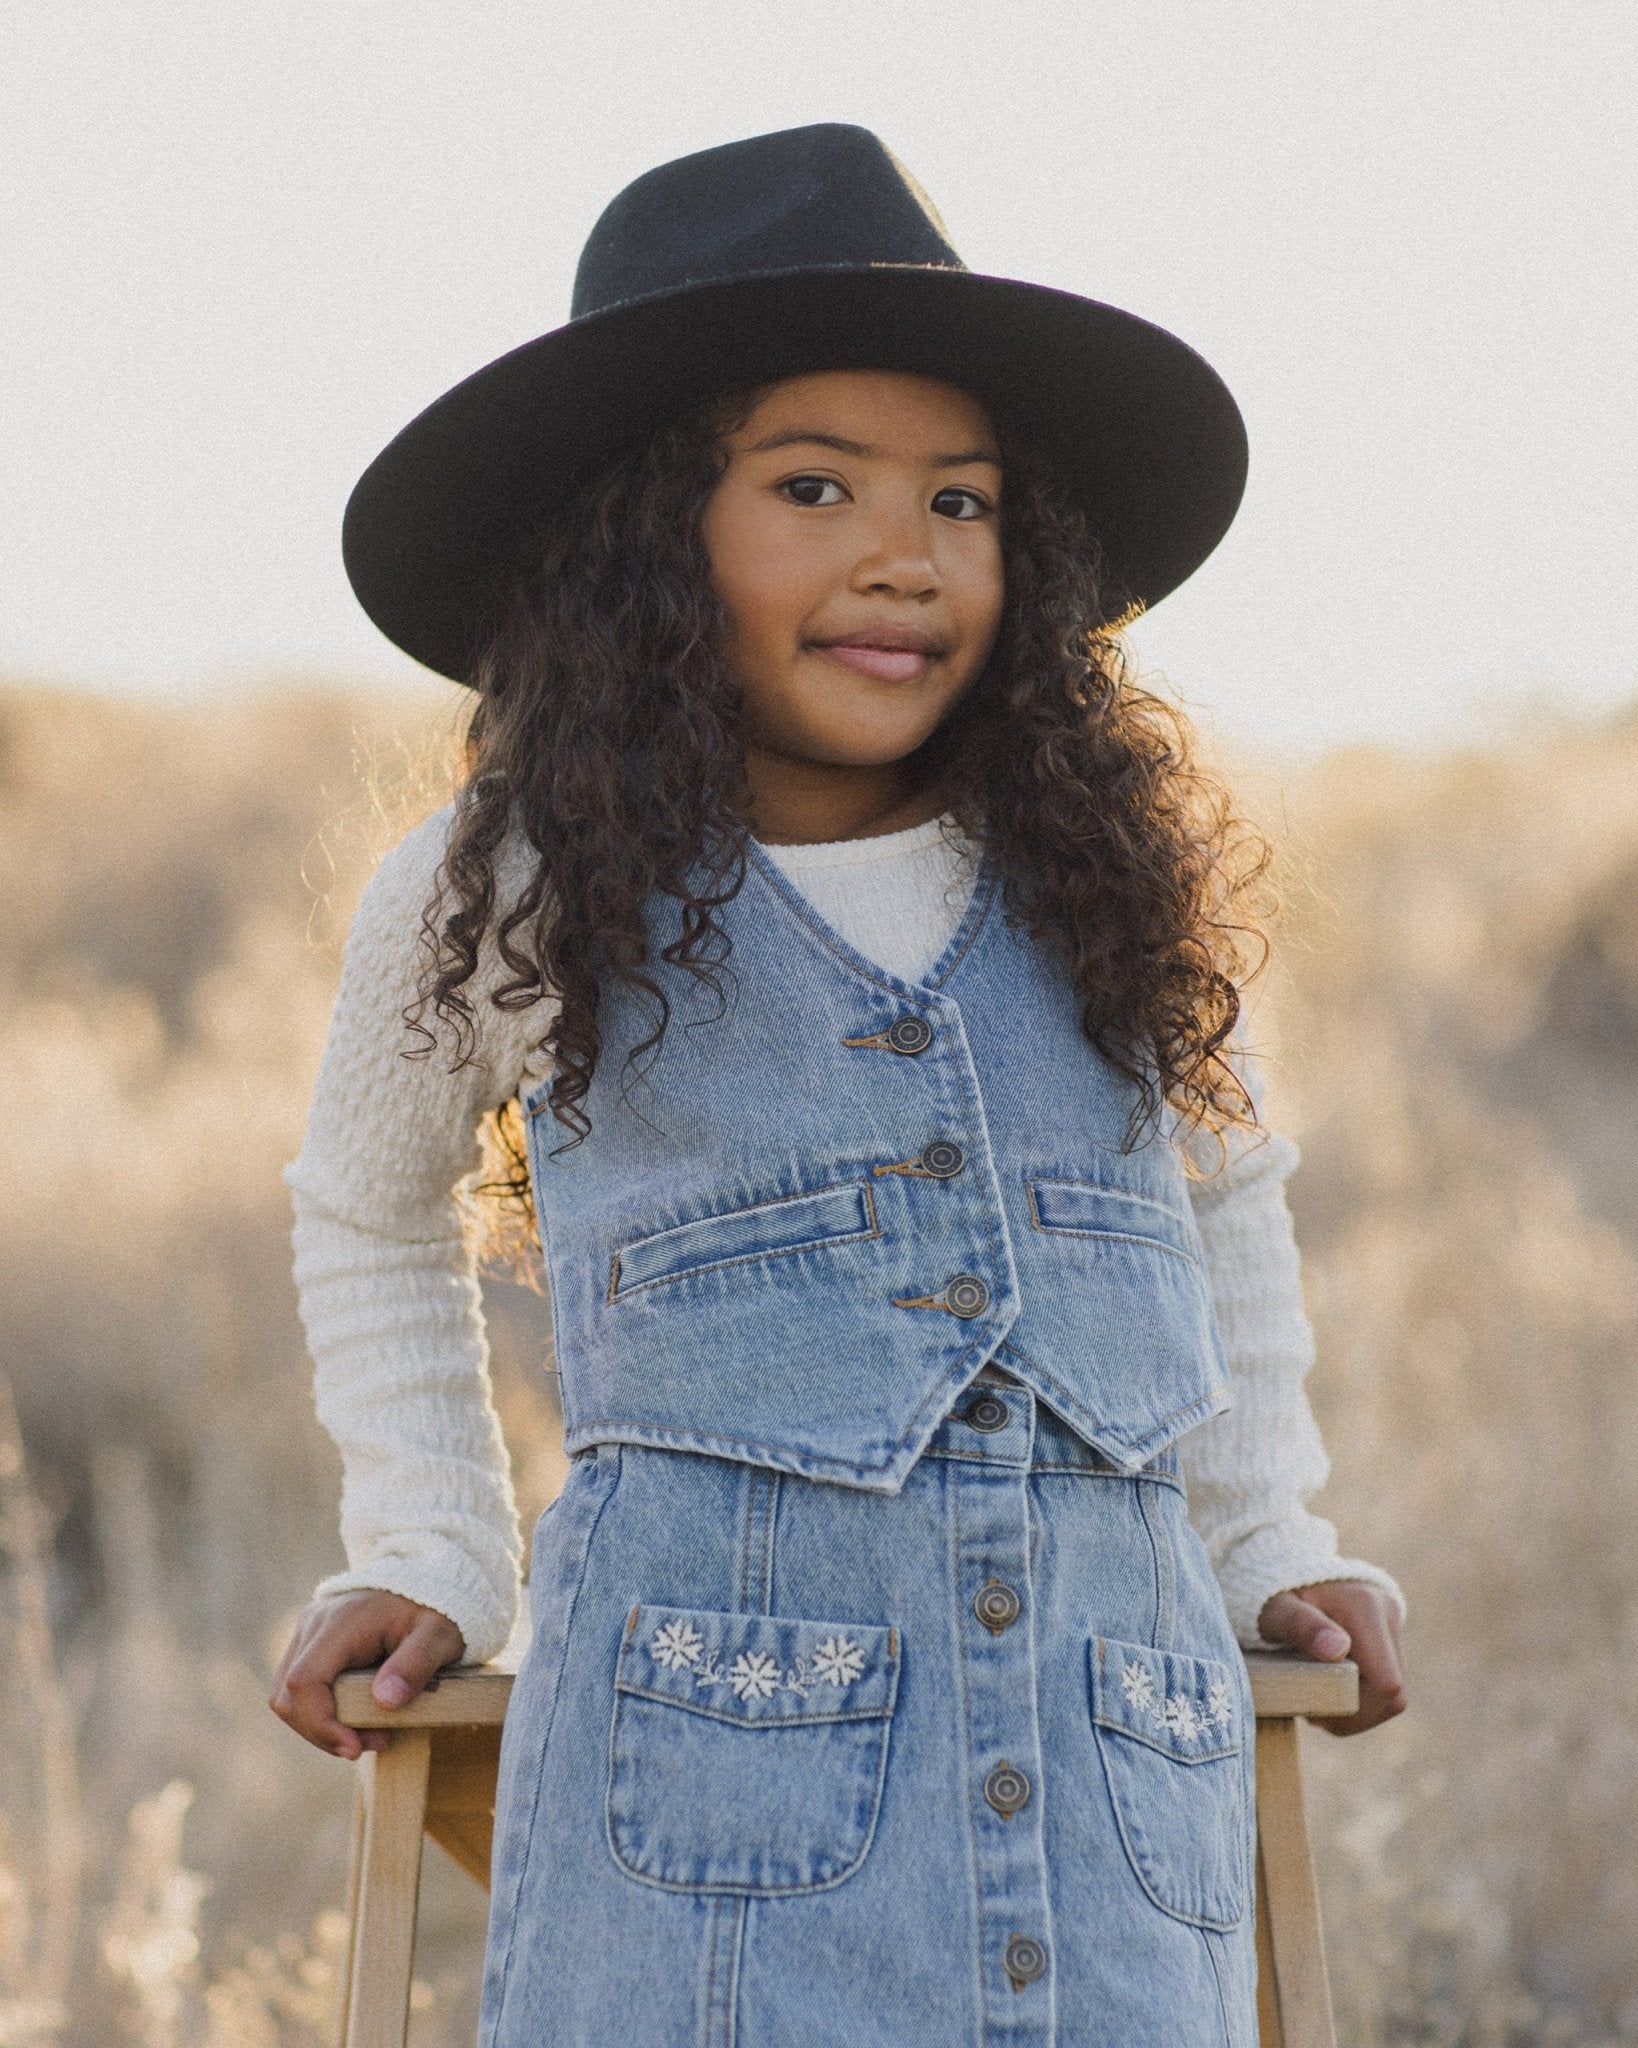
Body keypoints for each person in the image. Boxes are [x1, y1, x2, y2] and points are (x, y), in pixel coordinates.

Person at [270, 125, 1406, 2046]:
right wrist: (433, 1547)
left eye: (961, 502)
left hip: (1114, 1796)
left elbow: (1218, 1207)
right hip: (710, 1836)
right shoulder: (520, 878)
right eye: (814, 485)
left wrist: (1269, 1541)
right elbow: (367, 1212)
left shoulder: (1098, 878)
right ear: (642, 534)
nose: (905, 556)